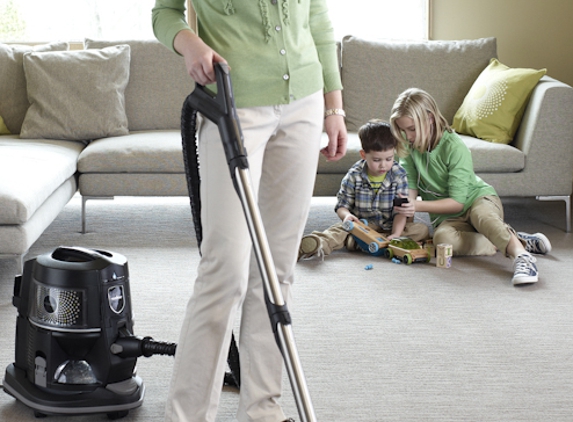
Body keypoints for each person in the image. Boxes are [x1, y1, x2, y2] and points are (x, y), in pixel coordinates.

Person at [152, 1, 347, 421]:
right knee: (223, 270)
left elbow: (317, 19)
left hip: (304, 105)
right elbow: (163, 11)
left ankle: (263, 410)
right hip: (232, 104)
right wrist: (189, 44)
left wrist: (334, 107)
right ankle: (186, 415)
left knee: (277, 270)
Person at [389, 87, 551, 286]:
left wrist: (417, 206)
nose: (408, 136)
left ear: (429, 118)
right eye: (403, 130)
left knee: (481, 216)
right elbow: (410, 190)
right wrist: (401, 227)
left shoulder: (454, 147)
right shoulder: (408, 146)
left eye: (412, 129)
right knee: (442, 240)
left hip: (477, 199)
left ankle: (522, 256)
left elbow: (457, 203)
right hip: (447, 217)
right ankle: (510, 237)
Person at [299, 120, 429, 261]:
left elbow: (401, 212)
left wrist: (396, 233)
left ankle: (361, 243)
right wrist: (347, 216)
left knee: (421, 230)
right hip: (362, 225)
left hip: (390, 226)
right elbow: (342, 206)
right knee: (339, 230)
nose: (383, 165)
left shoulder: (399, 175)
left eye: (389, 159)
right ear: (363, 155)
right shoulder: (354, 175)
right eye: (377, 160)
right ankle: (318, 244)